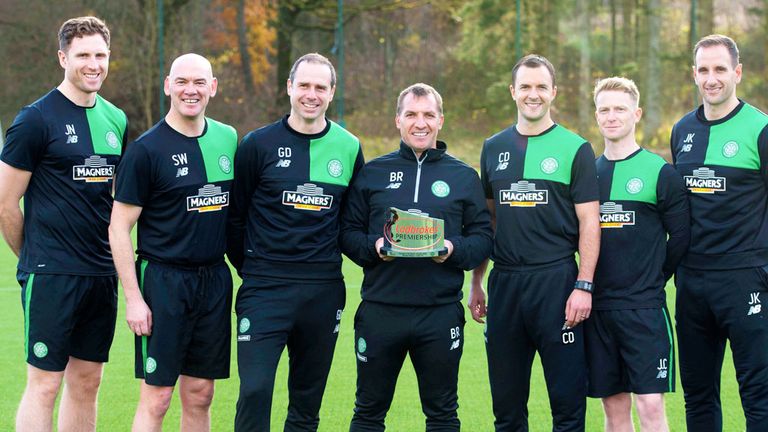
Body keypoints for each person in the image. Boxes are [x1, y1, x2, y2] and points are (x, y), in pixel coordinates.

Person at [340, 83, 492, 431]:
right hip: (380, 310)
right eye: (411, 114)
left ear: (440, 120)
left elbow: (483, 239)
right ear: (398, 120)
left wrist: (453, 251)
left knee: (442, 415)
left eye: (427, 115)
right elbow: (347, 234)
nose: (419, 123)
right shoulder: (372, 173)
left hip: (439, 314)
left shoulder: (464, 176)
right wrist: (376, 249)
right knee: (367, 413)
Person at [0, 16, 126, 432]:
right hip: (52, 274)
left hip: (100, 273)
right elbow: (4, 203)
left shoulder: (116, 120)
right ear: (62, 58)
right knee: (45, 384)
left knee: (88, 381)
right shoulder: (35, 120)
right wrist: (35, 256)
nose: (94, 64)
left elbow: (113, 200)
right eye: (83, 55)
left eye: (100, 55)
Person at [227, 52, 364, 431]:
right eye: (304, 85)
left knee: (306, 401)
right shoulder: (257, 145)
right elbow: (235, 218)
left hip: (322, 291)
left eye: (320, 87)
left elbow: (352, 220)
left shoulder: (349, 147)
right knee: (254, 391)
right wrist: (254, 267)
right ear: (289, 88)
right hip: (265, 288)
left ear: (332, 93)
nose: (311, 94)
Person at [470, 54, 601, 432]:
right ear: (513, 91)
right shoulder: (493, 147)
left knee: (567, 407)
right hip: (506, 284)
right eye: (525, 86)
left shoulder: (575, 148)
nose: (533, 94)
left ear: (553, 92)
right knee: (507, 410)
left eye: (541, 86)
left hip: (557, 283)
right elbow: (489, 221)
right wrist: (478, 281)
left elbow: (590, 222)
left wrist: (583, 285)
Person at [109, 53, 237, 432]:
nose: (190, 90)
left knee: (200, 392)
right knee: (158, 396)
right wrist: (133, 298)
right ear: (168, 85)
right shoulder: (146, 150)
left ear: (212, 87)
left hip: (214, 281)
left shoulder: (228, 138)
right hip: (164, 282)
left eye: (199, 82)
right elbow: (118, 227)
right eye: (182, 81)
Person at [671, 34, 768, 431]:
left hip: (745, 279)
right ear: (694, 74)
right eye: (704, 70)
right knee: (698, 397)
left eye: (720, 69)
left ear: (737, 73)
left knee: (759, 396)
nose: (712, 79)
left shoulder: (760, 128)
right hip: (691, 282)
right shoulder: (682, 131)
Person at [587, 77, 690, 432]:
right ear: (596, 115)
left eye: (619, 109)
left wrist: (653, 277)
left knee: (649, 406)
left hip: (644, 309)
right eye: (604, 109)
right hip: (598, 310)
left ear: (637, 113)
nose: (611, 116)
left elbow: (679, 238)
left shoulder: (661, 173)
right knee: (614, 411)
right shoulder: (587, 175)